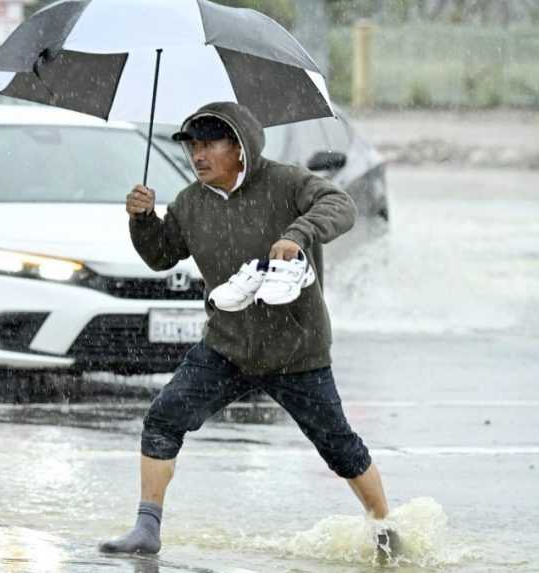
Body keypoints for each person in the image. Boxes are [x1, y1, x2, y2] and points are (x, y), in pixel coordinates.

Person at [98, 102, 399, 561]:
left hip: (297, 350)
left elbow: (342, 205)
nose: (198, 156)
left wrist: (298, 234)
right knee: (163, 418)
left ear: (239, 148)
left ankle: (385, 529)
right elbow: (161, 255)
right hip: (227, 347)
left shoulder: (286, 182)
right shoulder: (189, 204)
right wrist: (142, 220)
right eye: (192, 147)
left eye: (209, 145)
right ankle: (146, 528)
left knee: (339, 446)